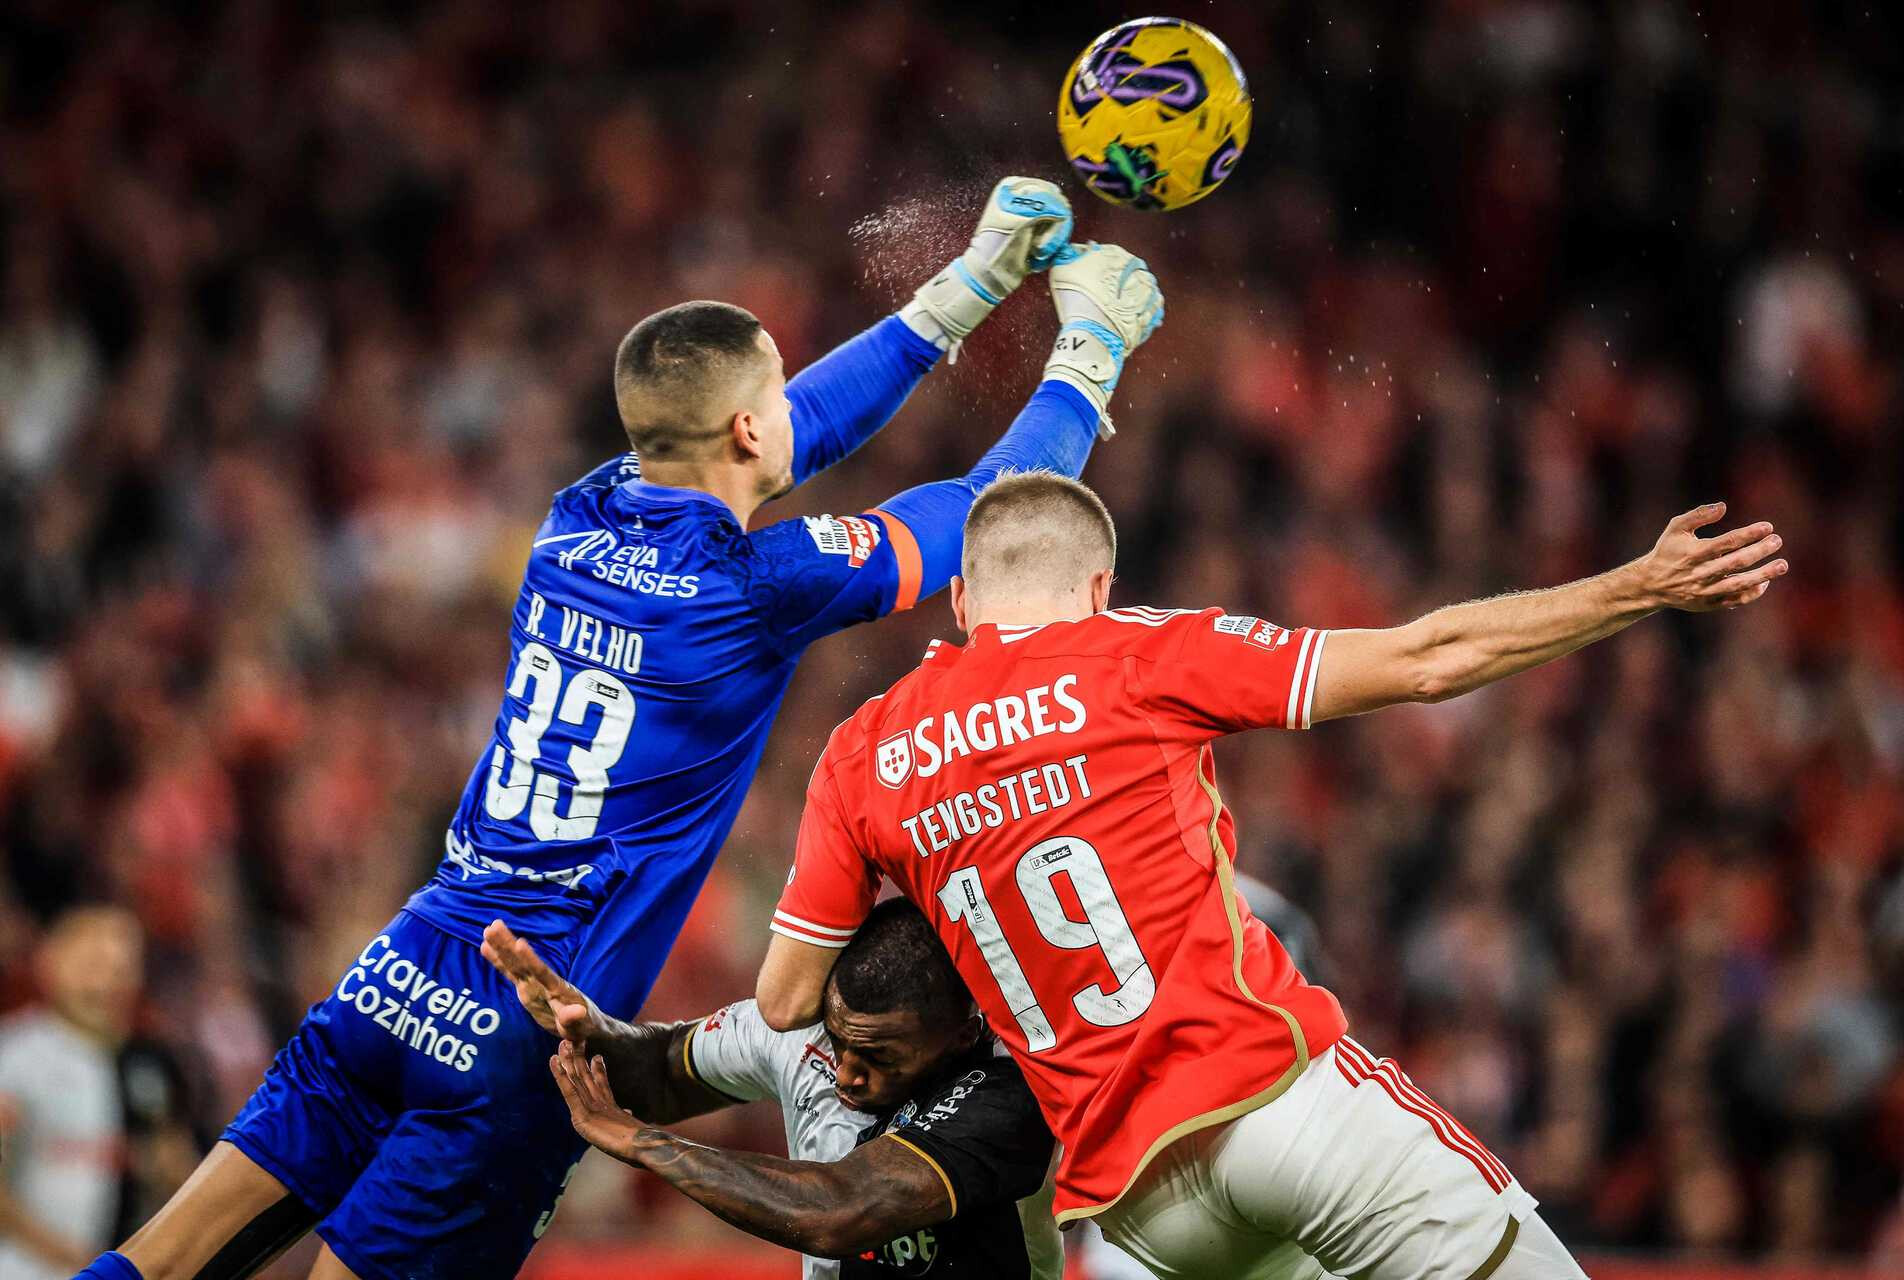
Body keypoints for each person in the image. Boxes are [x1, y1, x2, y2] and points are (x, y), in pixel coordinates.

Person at [93, 181, 1165, 1280]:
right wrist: (1088, 353)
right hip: (526, 1022)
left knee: (161, 1255)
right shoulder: (756, 584)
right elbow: (990, 514)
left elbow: (777, 430)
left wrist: (970, 285)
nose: (798, 411)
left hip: (403, 964)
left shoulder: (578, 511)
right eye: (777, 400)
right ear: (751, 425)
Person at [753, 472, 1788, 1279]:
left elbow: (789, 996)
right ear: (1102, 587)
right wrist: (1637, 586)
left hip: (1135, 1204)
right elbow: (1427, 660)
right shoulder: (1134, 653)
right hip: (1272, 1104)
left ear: (965, 595)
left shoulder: (862, 751)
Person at [482, 900, 1060, 1277]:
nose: (846, 1073)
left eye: (881, 1056)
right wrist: (591, 1027)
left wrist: (647, 1145)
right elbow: (660, 1072)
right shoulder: (794, 1028)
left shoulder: (1015, 1084)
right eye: (840, 1042)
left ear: (960, 1035)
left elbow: (842, 1207)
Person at [0, 906, 145, 1280]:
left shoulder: (141, 1065)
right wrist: (69, 1254)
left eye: (121, 969)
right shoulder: (16, 1055)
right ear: (51, 965)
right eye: (93, 964)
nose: (108, 982)